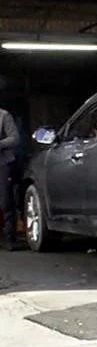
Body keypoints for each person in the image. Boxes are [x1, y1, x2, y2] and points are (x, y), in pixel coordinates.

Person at [0, 105, 21, 251]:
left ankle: (9, 238)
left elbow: (15, 139)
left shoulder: (3, 115)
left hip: (3, 163)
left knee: (5, 201)